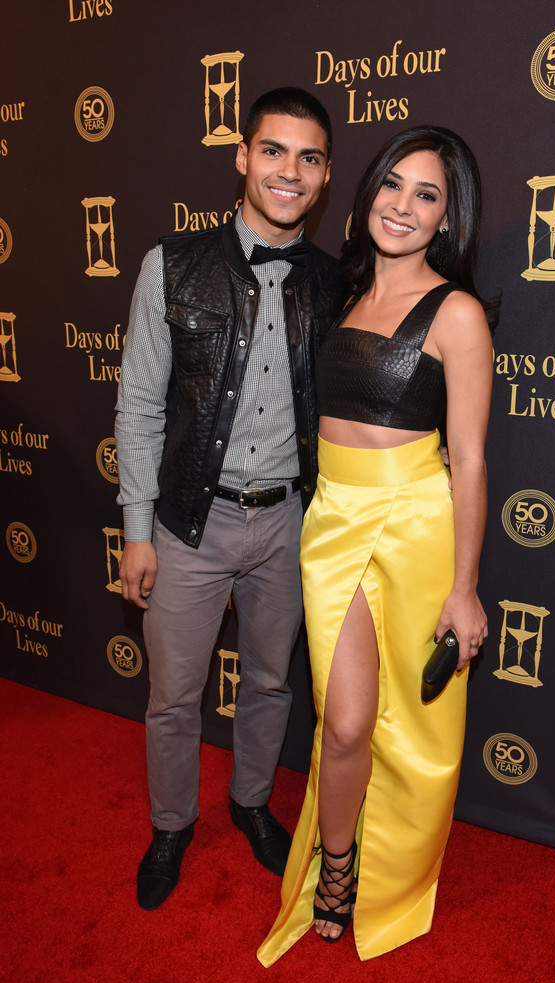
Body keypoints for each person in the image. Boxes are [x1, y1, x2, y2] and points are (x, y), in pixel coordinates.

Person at [258, 125, 498, 964]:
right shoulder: (343, 293)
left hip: (415, 522)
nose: (403, 205)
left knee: (411, 727)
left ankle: (381, 878)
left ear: (447, 218)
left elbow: (469, 459)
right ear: (365, 194)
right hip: (333, 521)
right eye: (392, 184)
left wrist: (464, 588)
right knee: (347, 721)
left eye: (426, 195)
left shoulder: (457, 313)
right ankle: (337, 863)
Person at [114, 87, 343, 911]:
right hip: (189, 522)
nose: (289, 171)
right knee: (173, 695)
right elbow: (139, 407)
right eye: (273, 150)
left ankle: (250, 804)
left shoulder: (336, 283)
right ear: (243, 156)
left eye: (308, 158)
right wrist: (137, 530)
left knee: (272, 683)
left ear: (324, 176)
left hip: (290, 523)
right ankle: (171, 824)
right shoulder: (170, 265)